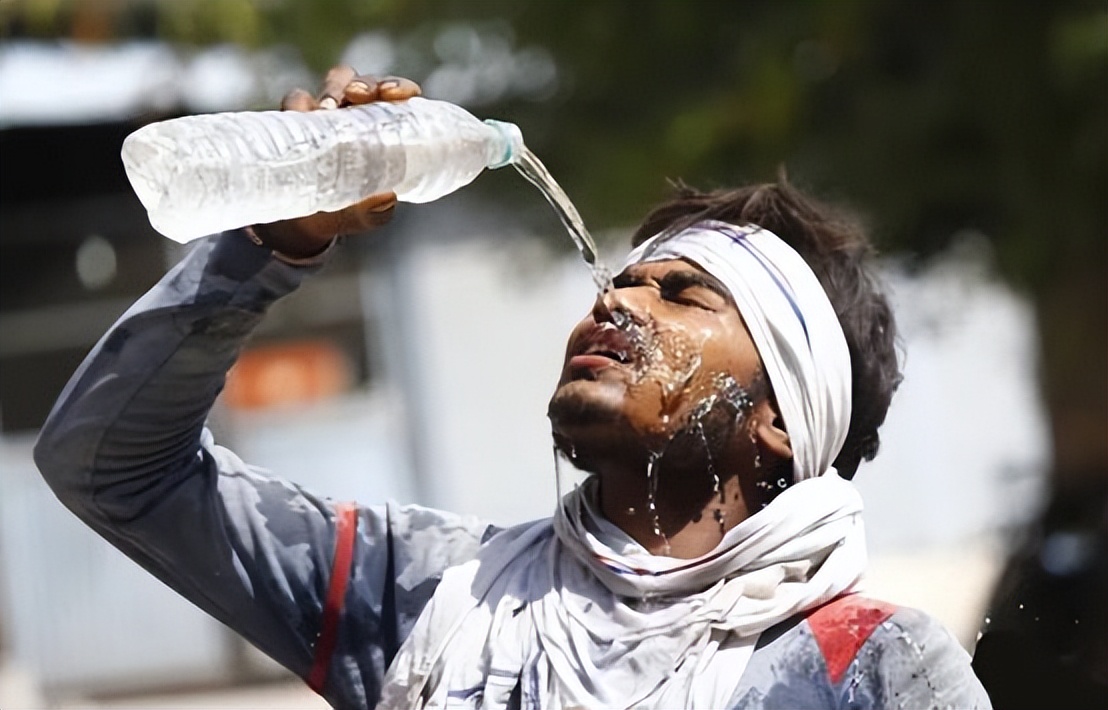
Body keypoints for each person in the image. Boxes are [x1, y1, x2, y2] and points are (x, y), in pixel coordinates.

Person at [34, 66, 991, 709]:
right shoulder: (429, 593)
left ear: (782, 421)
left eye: (684, 294)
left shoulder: (868, 668)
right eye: (620, 280)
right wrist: (272, 246)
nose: (617, 303)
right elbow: (112, 468)